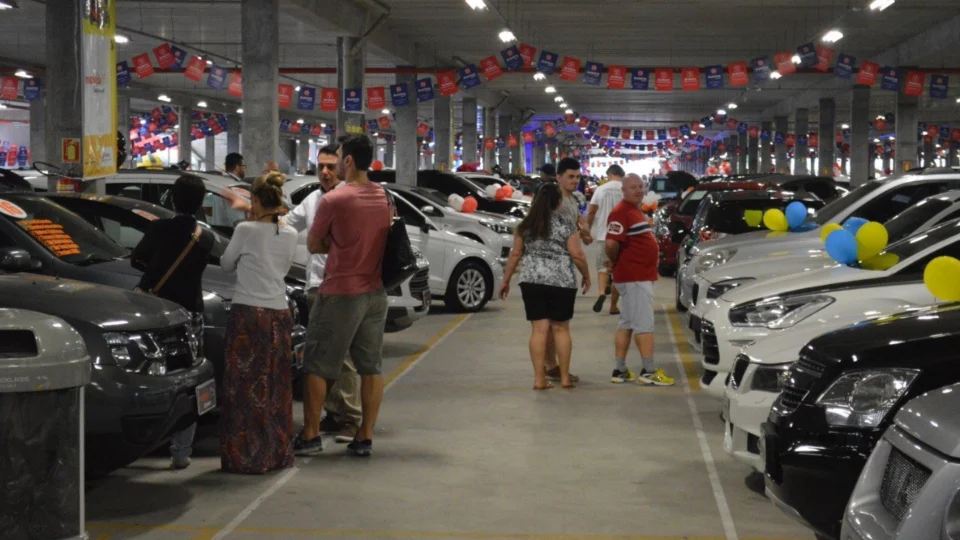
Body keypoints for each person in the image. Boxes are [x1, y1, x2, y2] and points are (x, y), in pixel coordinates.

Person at [296, 135, 390, 458]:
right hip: (375, 293)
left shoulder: (334, 200)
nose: (333, 164)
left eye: (337, 157)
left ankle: (310, 435)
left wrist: (339, 245)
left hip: (340, 292)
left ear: (347, 160)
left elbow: (313, 244)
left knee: (317, 364)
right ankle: (364, 437)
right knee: (370, 367)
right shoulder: (384, 196)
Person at [131, 175, 215, 470]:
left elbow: (137, 260)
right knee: (190, 378)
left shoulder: (159, 228)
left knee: (154, 376)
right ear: (201, 202)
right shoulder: (205, 238)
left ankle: (143, 442)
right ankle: (181, 451)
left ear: (173, 199)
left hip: (158, 312)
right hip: (190, 313)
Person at [218, 172, 299, 473]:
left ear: (254, 199)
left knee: (245, 388)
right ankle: (276, 454)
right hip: (280, 314)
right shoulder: (290, 233)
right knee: (276, 387)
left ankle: (247, 457)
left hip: (249, 315)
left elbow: (226, 264)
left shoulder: (245, 230)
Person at [284, 144, 362, 444]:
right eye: (321, 167)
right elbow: (286, 223)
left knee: (343, 356)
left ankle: (351, 419)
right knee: (319, 355)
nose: (326, 172)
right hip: (316, 287)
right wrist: (258, 212)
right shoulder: (313, 199)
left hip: (342, 287)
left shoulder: (349, 199)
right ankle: (333, 411)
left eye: (331, 166)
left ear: (342, 167)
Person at [498, 182, 590, 390]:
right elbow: (577, 254)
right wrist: (586, 276)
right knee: (561, 329)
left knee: (539, 330)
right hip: (562, 280)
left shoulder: (525, 225)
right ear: (558, 201)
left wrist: (506, 281)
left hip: (532, 280)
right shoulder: (566, 223)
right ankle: (565, 378)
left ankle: (539, 379)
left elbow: (515, 254)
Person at [604, 174, 675, 386]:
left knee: (627, 322)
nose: (638, 190)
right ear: (623, 191)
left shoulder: (634, 210)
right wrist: (615, 261)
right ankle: (649, 371)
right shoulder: (621, 212)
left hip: (635, 276)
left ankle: (620, 370)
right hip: (634, 277)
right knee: (644, 324)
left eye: (640, 186)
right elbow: (611, 244)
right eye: (633, 187)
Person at [542, 157, 589, 383]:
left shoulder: (573, 199)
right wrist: (586, 274)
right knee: (555, 325)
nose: (575, 180)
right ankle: (553, 367)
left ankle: (550, 367)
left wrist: (584, 230)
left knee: (552, 324)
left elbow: (579, 221)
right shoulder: (554, 202)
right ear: (558, 177)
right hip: (554, 269)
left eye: (577, 177)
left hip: (563, 266)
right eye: (570, 176)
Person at [586, 164, 625, 315]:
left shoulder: (600, 189)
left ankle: (602, 293)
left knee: (602, 268)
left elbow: (591, 212)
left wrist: (587, 231)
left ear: (610, 175)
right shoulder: (626, 189)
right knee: (618, 271)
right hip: (621, 237)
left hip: (604, 235)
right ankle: (613, 306)